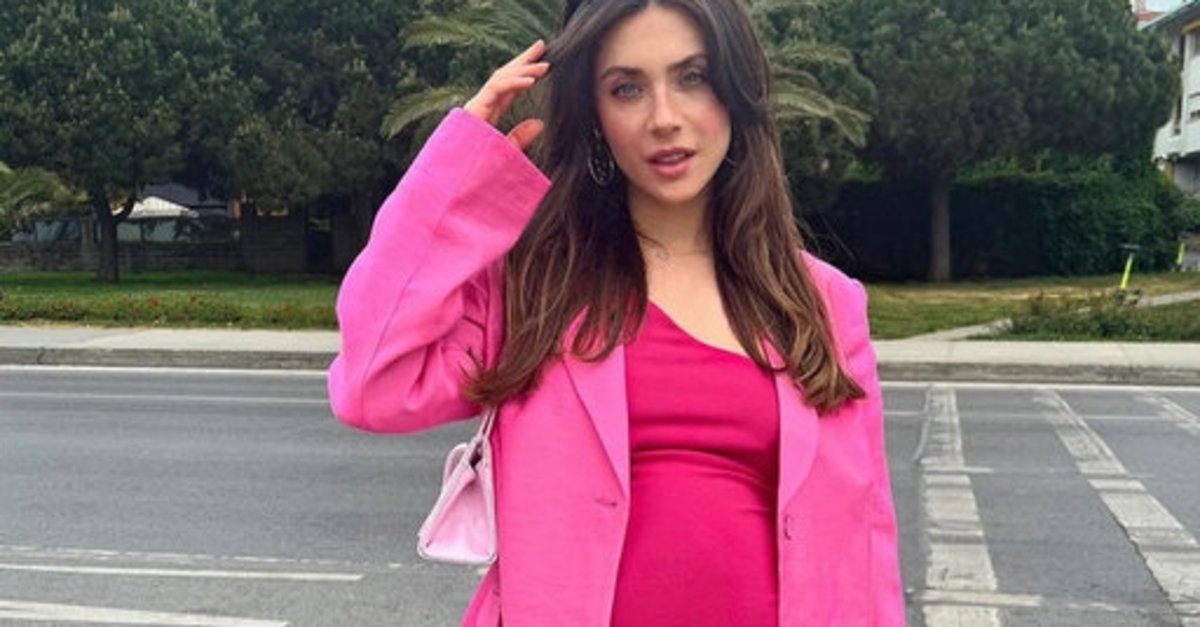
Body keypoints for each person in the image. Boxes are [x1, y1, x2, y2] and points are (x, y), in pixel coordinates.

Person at [327, 0, 904, 624]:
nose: (665, 118)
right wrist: (458, 167)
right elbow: (373, 383)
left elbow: (866, 541)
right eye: (627, 88)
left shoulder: (824, 303)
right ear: (596, 115)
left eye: (693, 77)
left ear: (736, 91)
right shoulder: (537, 286)